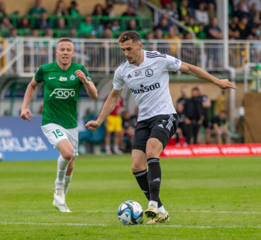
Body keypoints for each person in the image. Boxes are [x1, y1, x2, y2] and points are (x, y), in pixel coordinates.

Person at [85, 31, 236, 224]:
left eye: (129, 49)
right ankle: (162, 212)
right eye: (123, 50)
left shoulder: (158, 59)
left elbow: (189, 68)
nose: (126, 53)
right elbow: (113, 96)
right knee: (136, 165)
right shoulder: (122, 70)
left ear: (140, 46)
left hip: (165, 115)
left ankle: (153, 204)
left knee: (151, 151)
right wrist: (99, 120)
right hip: (144, 120)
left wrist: (217, 81)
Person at [20, 37, 97, 212]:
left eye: (68, 50)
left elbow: (94, 95)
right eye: (62, 49)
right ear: (56, 52)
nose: (65, 52)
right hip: (50, 121)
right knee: (68, 152)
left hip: (70, 123)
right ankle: (58, 188)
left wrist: (85, 81)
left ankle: (60, 202)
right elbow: (32, 86)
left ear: (73, 53)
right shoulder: (45, 70)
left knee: (71, 164)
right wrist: (24, 107)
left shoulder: (80, 70)